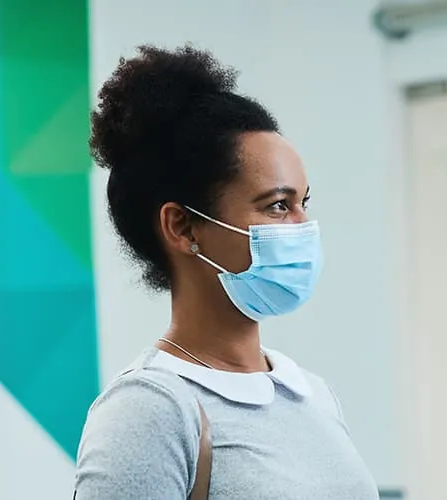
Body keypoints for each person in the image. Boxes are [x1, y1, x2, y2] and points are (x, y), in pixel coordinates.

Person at [72, 45, 379, 499]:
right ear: (182, 226)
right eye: (277, 206)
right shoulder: (150, 410)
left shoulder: (311, 394)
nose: (302, 226)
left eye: (302, 203)